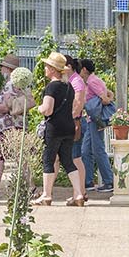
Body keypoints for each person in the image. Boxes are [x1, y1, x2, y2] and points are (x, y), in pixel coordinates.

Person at [38, 51, 87, 206]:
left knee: (48, 160)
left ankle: (46, 195)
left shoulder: (51, 87)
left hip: (54, 128)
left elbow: (48, 109)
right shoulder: (69, 87)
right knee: (67, 161)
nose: (45, 68)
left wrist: (39, 108)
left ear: (52, 69)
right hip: (69, 127)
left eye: (47, 66)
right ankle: (78, 194)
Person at [0, 54, 31, 197]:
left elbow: (6, 108)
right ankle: (30, 186)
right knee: (20, 157)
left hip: (7, 126)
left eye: (3, 67)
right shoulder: (22, 85)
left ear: (8, 69)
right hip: (19, 125)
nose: (1, 69)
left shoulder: (9, 84)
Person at [79, 59, 115, 192]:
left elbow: (106, 98)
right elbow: (108, 93)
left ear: (84, 69)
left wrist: (96, 103)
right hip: (90, 120)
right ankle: (88, 181)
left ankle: (109, 181)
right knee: (85, 151)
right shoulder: (93, 81)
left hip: (95, 120)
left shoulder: (92, 81)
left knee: (98, 149)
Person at [67, 55, 87, 156]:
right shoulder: (71, 80)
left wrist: (68, 119)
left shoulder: (76, 81)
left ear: (69, 67)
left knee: (75, 157)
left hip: (75, 122)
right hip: (73, 121)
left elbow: (78, 104)